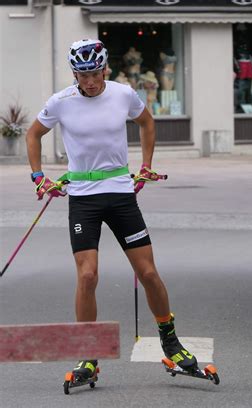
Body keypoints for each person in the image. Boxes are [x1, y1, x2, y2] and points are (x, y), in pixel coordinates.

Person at [25, 39, 198, 382]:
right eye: (81, 74)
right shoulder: (61, 102)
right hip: (83, 198)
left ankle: (171, 342)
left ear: (105, 68)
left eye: (93, 73)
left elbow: (147, 123)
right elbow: (33, 135)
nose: (88, 81)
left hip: (120, 194)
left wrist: (146, 164)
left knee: (148, 273)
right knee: (87, 276)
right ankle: (88, 354)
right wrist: (38, 177)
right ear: (74, 73)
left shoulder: (123, 94)